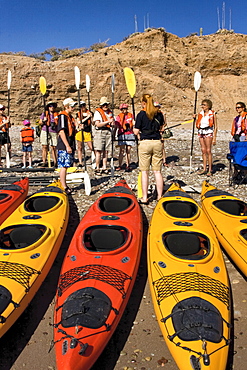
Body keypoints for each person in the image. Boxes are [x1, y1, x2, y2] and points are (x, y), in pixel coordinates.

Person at [133, 94, 164, 204]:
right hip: (157, 142)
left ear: (144, 103)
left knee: (145, 172)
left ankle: (145, 197)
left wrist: (135, 127)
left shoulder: (141, 114)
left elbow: (136, 131)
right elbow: (161, 127)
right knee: (157, 171)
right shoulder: (159, 114)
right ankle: (160, 196)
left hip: (145, 142)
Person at [57, 98, 77, 194]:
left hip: (70, 143)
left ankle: (64, 184)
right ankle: (64, 186)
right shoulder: (62, 116)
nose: (73, 108)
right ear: (66, 106)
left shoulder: (70, 117)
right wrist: (67, 146)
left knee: (67, 165)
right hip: (64, 145)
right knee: (64, 166)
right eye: (72, 106)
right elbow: (61, 131)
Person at [93, 97, 114, 175]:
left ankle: (104, 167)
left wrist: (112, 123)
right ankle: (97, 168)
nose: (105, 106)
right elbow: (97, 124)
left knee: (106, 151)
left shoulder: (109, 112)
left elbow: (112, 123)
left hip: (108, 132)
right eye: (104, 104)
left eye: (106, 104)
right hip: (100, 132)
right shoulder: (98, 112)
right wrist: (107, 121)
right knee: (98, 151)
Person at [196, 99, 217, 176]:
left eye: (204, 105)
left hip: (208, 132)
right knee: (203, 150)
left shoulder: (212, 114)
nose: (202, 106)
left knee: (208, 150)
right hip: (201, 132)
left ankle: (210, 169)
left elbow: (215, 126)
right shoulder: (200, 114)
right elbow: (197, 124)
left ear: (208, 106)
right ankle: (204, 168)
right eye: (202, 104)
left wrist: (214, 137)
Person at [115, 103, 135, 172]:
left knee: (128, 150)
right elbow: (116, 126)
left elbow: (134, 123)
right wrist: (113, 134)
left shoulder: (131, 115)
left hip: (130, 134)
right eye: (123, 109)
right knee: (122, 150)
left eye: (125, 109)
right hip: (122, 134)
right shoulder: (119, 116)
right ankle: (120, 165)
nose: (124, 110)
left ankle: (128, 165)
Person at [39, 101, 58, 167]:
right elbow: (40, 122)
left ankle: (55, 162)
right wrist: (44, 120)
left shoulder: (56, 114)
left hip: (54, 131)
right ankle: (44, 161)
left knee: (54, 147)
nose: (52, 107)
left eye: (53, 106)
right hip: (45, 130)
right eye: (50, 106)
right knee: (45, 146)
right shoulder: (44, 114)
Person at [75, 101, 94, 168]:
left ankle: (94, 160)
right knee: (80, 147)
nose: (82, 107)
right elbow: (79, 122)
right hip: (80, 132)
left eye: (83, 105)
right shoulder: (78, 114)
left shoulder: (90, 113)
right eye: (81, 106)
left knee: (91, 147)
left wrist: (90, 117)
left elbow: (93, 123)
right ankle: (80, 162)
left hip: (87, 132)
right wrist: (87, 117)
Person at [154, 101, 168, 166]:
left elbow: (164, 123)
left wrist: (162, 128)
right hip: (153, 132)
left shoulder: (161, 114)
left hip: (160, 132)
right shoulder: (151, 114)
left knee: (162, 146)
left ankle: (164, 160)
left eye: (157, 107)